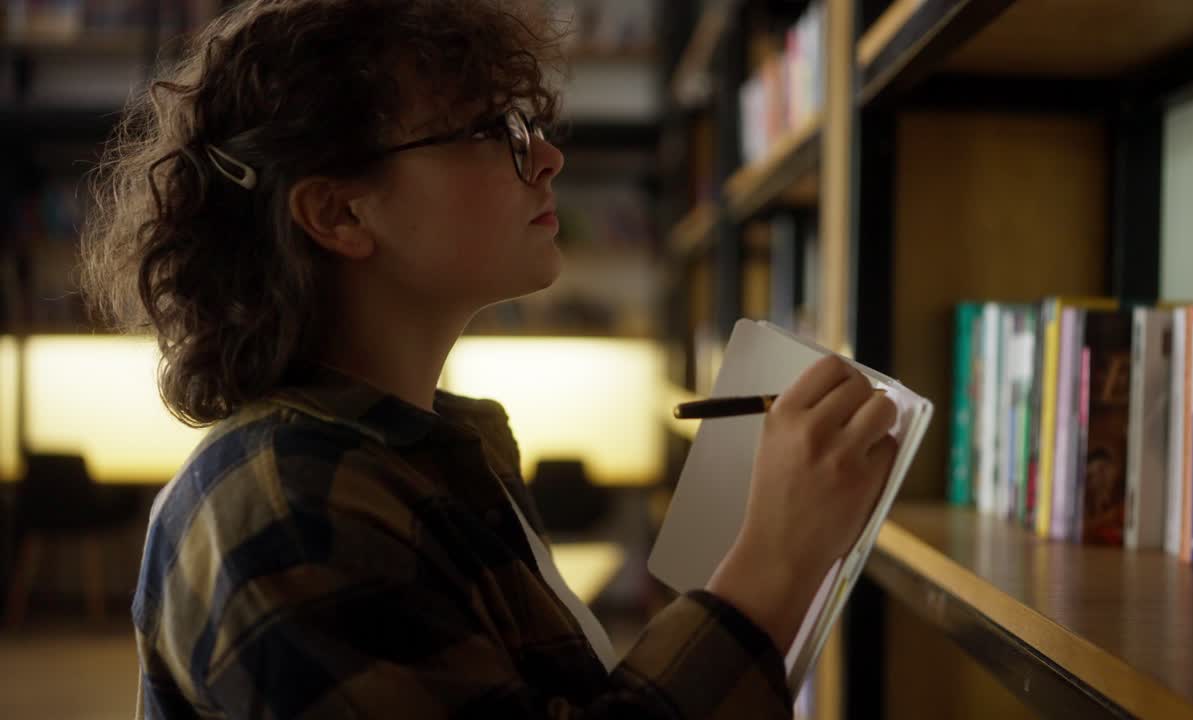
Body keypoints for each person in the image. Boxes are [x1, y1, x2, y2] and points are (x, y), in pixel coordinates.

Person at [79, 1, 899, 717]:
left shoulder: (418, 456)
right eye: (491, 131)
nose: (547, 157)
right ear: (338, 211)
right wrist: (775, 562)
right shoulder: (284, 510)